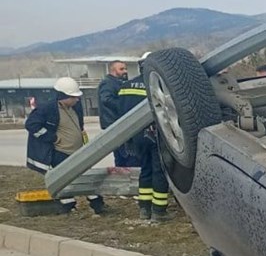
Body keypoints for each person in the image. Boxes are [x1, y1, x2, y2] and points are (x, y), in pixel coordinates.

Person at [25, 77, 106, 214]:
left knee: (87, 177)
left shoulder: (76, 107)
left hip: (78, 151)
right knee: (65, 181)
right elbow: (31, 125)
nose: (77, 100)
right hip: (60, 153)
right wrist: (52, 138)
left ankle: (98, 205)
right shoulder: (47, 109)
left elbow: (79, 126)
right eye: (73, 97)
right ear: (64, 96)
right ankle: (69, 207)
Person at [118, 64, 171, 221]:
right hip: (157, 134)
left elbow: (121, 112)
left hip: (138, 136)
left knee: (145, 169)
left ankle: (144, 209)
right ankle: (159, 211)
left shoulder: (125, 87)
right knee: (159, 171)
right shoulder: (160, 85)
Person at [98, 60, 138, 166]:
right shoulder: (108, 83)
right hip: (114, 124)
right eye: (121, 69)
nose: (125, 71)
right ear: (112, 70)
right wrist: (124, 105)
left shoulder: (118, 83)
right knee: (124, 155)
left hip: (117, 123)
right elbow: (106, 99)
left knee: (124, 156)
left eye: (125, 69)